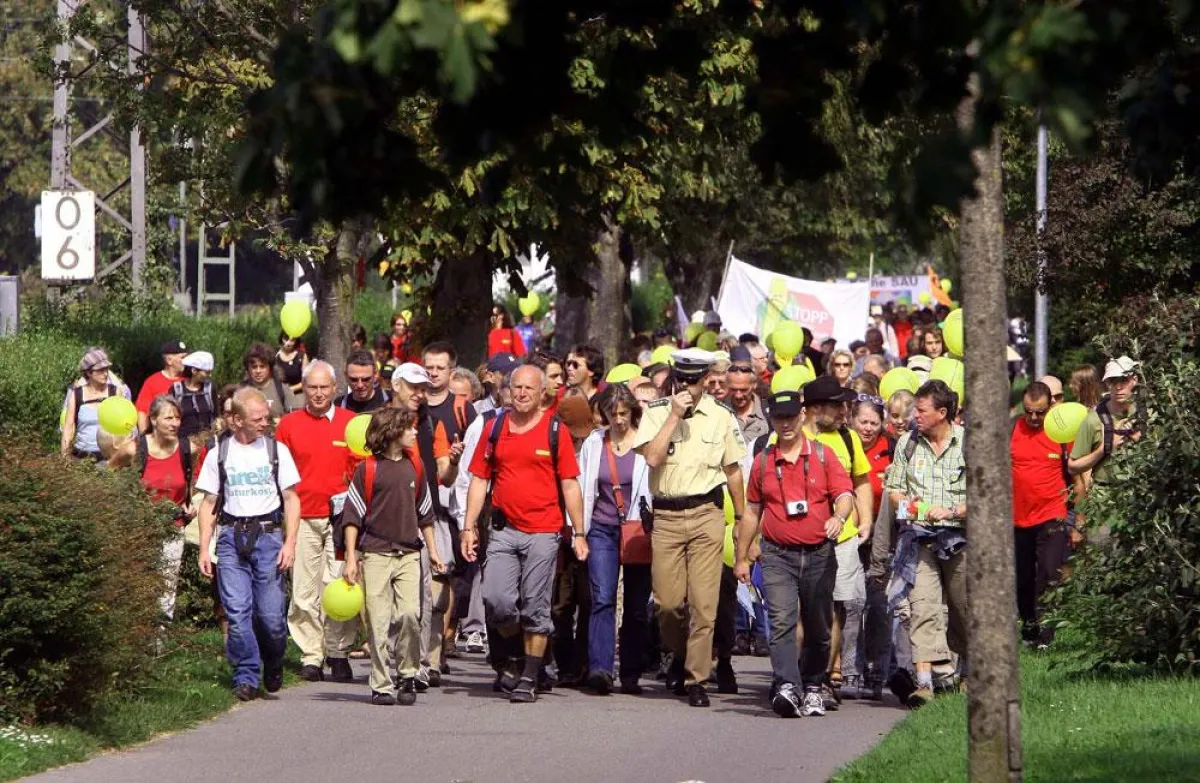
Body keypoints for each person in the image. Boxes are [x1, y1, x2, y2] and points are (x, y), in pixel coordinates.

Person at [461, 365, 588, 704]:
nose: (521, 393)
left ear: (542, 392)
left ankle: (530, 675)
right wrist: (469, 526)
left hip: (543, 532)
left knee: (535, 605)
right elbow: (478, 480)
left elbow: (570, 484)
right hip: (503, 529)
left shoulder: (555, 430)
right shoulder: (495, 426)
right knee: (497, 601)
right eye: (515, 387)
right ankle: (518, 655)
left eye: (528, 388)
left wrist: (579, 532)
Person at [633, 349, 746, 708]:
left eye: (695, 381)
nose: (690, 388)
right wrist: (674, 416)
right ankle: (681, 655)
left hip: (706, 514)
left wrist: (742, 519)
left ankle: (696, 678)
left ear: (705, 381)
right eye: (683, 380)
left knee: (704, 604)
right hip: (666, 514)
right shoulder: (655, 412)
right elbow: (652, 458)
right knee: (667, 604)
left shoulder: (721, 416)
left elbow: (733, 470)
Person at [734, 390, 854, 717]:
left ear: (802, 415)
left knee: (818, 625)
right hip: (777, 555)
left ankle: (813, 683)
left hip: (818, 554)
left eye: (790, 416)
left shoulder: (824, 456)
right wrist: (742, 556)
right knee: (782, 621)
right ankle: (787, 684)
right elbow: (752, 511)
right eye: (779, 418)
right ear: (772, 419)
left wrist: (838, 517)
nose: (785, 424)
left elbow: (845, 494)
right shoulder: (762, 462)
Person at [196, 387, 302, 701]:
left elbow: (292, 499)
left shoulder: (276, 451)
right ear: (238, 420)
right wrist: (205, 547)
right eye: (257, 418)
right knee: (237, 612)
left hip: (268, 536)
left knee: (270, 617)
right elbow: (208, 502)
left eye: (266, 417)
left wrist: (290, 543)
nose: (265, 422)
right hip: (230, 537)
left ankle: (273, 658)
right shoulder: (220, 453)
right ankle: (246, 674)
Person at [341, 406, 444, 705]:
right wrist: (351, 557)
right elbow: (352, 517)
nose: (414, 432)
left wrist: (434, 552)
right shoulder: (368, 469)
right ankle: (381, 683)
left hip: (409, 553)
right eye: (409, 428)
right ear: (393, 432)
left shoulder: (416, 467)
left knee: (410, 614)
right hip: (375, 554)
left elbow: (425, 514)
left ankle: (408, 673)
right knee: (378, 620)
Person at [275, 361, 360, 683]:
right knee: (304, 591)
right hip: (303, 518)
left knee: (338, 586)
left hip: (342, 521)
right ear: (304, 389)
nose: (319, 393)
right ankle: (312, 654)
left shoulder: (352, 424)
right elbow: (279, 473)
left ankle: (338, 652)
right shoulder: (289, 425)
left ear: (336, 389)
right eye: (313, 387)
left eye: (325, 387)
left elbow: (362, 473)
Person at [885, 380, 968, 707]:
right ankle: (924, 685)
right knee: (923, 608)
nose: (913, 416)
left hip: (960, 537)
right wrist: (911, 506)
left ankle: (966, 674)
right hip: (919, 537)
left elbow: (987, 494)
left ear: (942, 413)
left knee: (964, 611)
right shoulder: (907, 443)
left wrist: (953, 510)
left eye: (921, 410)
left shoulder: (968, 443)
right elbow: (894, 490)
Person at [800, 376, 873, 706]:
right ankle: (797, 676)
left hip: (842, 538)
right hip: (800, 538)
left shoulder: (847, 437)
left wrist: (866, 519)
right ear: (816, 409)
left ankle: (822, 680)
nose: (845, 411)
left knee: (834, 610)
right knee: (802, 613)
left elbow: (861, 481)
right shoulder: (790, 436)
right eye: (837, 405)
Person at [579, 385, 653, 695]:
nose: (619, 420)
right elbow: (582, 485)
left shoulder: (647, 441)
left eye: (624, 414)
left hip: (637, 527)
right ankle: (600, 668)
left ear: (633, 413)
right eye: (613, 414)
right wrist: (578, 532)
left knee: (636, 605)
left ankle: (632, 671)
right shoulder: (595, 442)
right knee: (603, 597)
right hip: (602, 527)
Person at [109, 395, 197, 623]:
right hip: (139, 527)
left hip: (172, 526)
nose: (175, 423)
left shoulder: (189, 449)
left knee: (167, 584)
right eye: (169, 418)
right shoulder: (133, 450)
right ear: (154, 419)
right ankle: (135, 633)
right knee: (138, 581)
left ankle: (159, 640)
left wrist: (190, 501)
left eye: (178, 418)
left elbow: (190, 482)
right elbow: (109, 474)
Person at [1010, 382, 1070, 647]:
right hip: (1017, 518)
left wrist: (1078, 517)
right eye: (1029, 412)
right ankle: (1030, 626)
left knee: (1048, 573)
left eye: (1040, 412)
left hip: (1052, 514)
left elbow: (1077, 476)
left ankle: (1046, 636)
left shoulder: (1062, 433)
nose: (1034, 418)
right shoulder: (1012, 428)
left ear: (1051, 407)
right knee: (1023, 578)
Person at [1068, 356, 1141, 546]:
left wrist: (1144, 443)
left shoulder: (1148, 415)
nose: (1118, 387)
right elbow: (1073, 466)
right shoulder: (1093, 420)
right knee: (1104, 564)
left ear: (1135, 380)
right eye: (1112, 381)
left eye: (1123, 381)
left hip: (1139, 503)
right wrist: (1103, 449)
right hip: (1104, 507)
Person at [848, 395, 892, 699]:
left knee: (877, 604)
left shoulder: (891, 448)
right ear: (852, 420)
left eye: (874, 423)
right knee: (850, 603)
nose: (868, 428)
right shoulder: (842, 444)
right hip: (846, 532)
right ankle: (849, 669)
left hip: (880, 533)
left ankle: (877, 669)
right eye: (863, 421)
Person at [62, 347, 126, 459]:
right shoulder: (77, 395)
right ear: (88, 372)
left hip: (109, 458)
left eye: (106, 369)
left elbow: (124, 426)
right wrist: (65, 456)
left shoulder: (115, 392)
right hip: (81, 457)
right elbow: (68, 427)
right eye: (100, 370)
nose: (105, 374)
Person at [136, 340, 188, 432]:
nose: (186, 361)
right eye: (183, 357)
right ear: (169, 360)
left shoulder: (189, 380)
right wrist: (144, 438)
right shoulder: (152, 382)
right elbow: (142, 411)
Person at [240, 342, 296, 421]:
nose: (258, 371)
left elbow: (294, 419)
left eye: (262, 366)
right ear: (248, 369)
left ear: (270, 367)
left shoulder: (283, 389)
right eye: (254, 367)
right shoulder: (240, 390)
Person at [173, 351, 217, 439]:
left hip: (206, 441)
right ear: (194, 371)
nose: (209, 375)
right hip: (183, 441)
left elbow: (216, 414)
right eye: (206, 372)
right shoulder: (176, 390)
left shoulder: (209, 388)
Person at [727, 355, 768, 443]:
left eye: (743, 390)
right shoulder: (719, 412)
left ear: (754, 385)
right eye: (733, 389)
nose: (738, 396)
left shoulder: (768, 412)